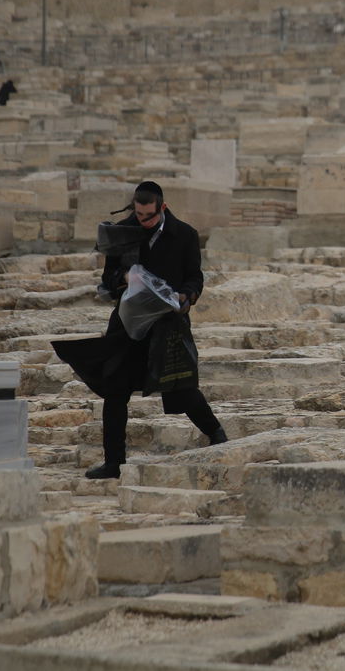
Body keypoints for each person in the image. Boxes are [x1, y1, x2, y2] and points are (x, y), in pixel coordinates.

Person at [52, 181, 226, 480]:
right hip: (129, 323)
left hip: (167, 323)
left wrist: (186, 296)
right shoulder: (121, 233)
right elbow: (108, 278)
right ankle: (114, 463)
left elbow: (194, 277)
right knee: (115, 390)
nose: (143, 221)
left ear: (163, 208)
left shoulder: (185, 234)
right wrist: (124, 279)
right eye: (139, 214)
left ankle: (217, 434)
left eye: (149, 216)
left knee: (181, 388)